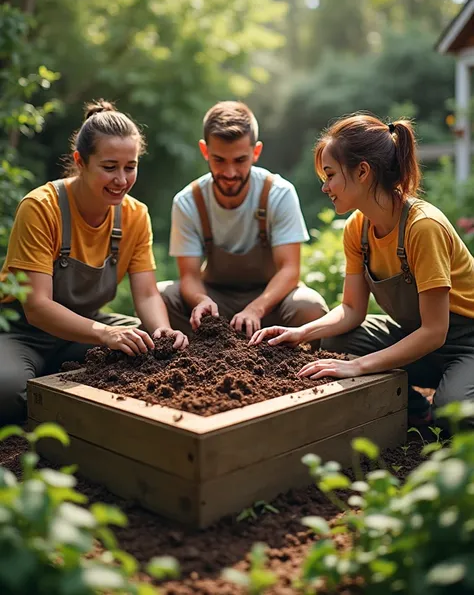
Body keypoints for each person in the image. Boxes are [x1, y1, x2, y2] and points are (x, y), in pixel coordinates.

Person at [250, 113, 474, 429]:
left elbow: (435, 331)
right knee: (337, 341)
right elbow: (352, 309)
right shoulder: (358, 228)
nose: (325, 187)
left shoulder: (422, 228)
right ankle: (413, 409)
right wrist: (302, 333)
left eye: (330, 175)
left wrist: (359, 367)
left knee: (454, 412)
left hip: (465, 344)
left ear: (363, 171)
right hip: (419, 338)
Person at [0, 100, 188, 426]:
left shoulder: (135, 215)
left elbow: (145, 294)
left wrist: (162, 332)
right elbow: (37, 307)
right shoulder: (41, 208)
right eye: (109, 166)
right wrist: (104, 334)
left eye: (130, 167)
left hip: (84, 329)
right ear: (81, 162)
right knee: (7, 393)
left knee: (150, 351)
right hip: (23, 332)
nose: (121, 179)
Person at [159, 101, 328, 338]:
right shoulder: (188, 202)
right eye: (219, 160)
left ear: (255, 152)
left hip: (269, 301)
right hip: (214, 302)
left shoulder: (278, 193)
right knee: (161, 297)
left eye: (239, 160)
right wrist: (201, 300)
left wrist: (256, 309)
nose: (229, 173)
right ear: (205, 151)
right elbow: (189, 276)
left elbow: (290, 270)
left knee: (310, 307)